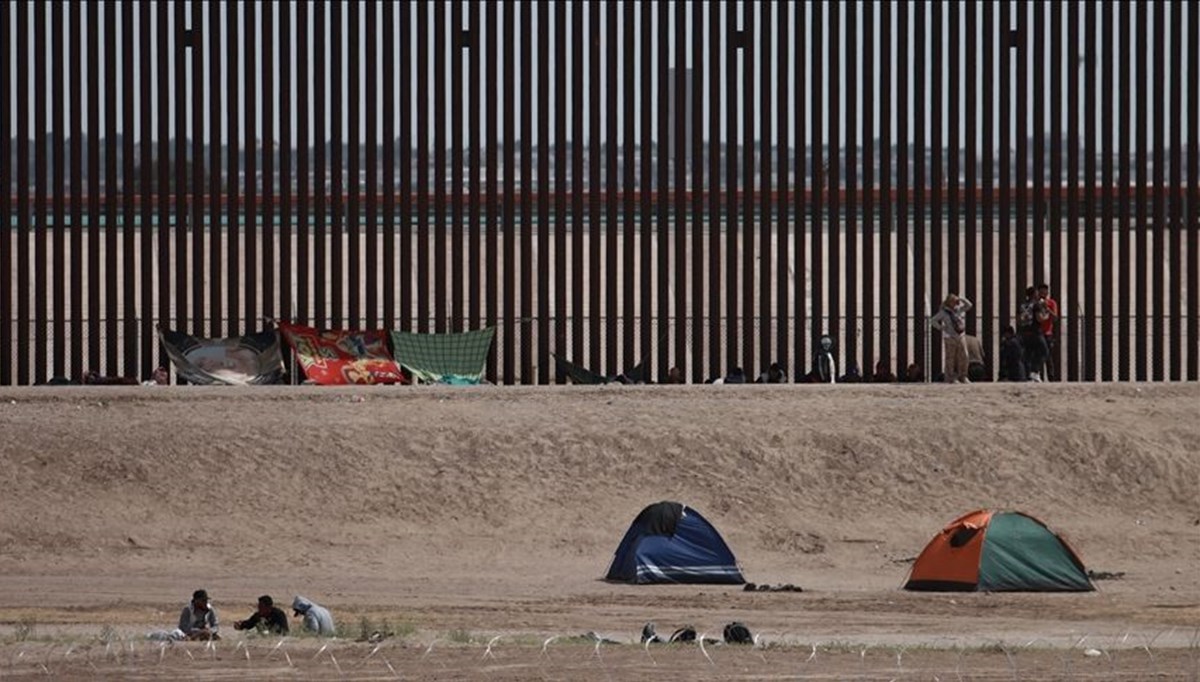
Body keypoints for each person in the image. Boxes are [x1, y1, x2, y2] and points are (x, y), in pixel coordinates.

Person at [929, 294, 973, 383]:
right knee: (950, 357)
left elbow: (969, 305)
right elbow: (933, 320)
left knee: (964, 356)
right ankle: (951, 377)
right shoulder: (944, 312)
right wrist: (941, 327)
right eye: (953, 301)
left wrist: (961, 299)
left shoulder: (958, 310)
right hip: (950, 337)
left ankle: (963, 376)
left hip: (960, 335)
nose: (955, 303)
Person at [1017, 287, 1049, 381]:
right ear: (1034, 294)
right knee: (1044, 351)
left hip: (1024, 333)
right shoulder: (1036, 305)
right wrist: (1046, 315)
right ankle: (1035, 372)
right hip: (1035, 332)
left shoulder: (1022, 305)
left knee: (1028, 354)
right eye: (1037, 293)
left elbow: (1019, 320)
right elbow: (1039, 318)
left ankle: (1028, 375)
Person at [1037, 283, 1059, 381]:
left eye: (1044, 292)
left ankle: (1051, 377)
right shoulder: (1035, 303)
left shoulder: (1051, 303)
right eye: (1041, 292)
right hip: (1037, 333)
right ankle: (1039, 377)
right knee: (1038, 356)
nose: (1043, 294)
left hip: (1047, 333)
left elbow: (1055, 318)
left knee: (1048, 356)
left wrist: (1047, 308)